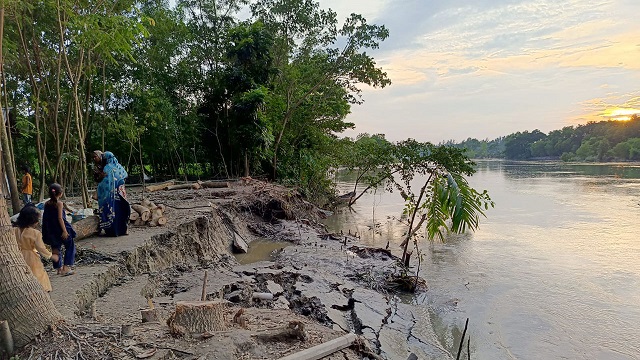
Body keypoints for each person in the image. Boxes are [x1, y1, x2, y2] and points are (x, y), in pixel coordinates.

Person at [15, 204, 59, 292]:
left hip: (17, 255)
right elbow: (41, 248)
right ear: (33, 220)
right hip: (31, 257)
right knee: (38, 274)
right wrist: (51, 256)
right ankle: (42, 291)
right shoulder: (35, 233)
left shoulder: (15, 230)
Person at [42, 183, 76, 276]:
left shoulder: (46, 204)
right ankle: (66, 268)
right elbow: (60, 218)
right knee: (70, 245)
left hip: (51, 230)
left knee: (55, 248)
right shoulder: (59, 203)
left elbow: (46, 218)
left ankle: (59, 269)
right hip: (60, 229)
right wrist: (65, 231)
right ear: (60, 193)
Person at [94, 151, 130, 236]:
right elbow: (124, 176)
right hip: (121, 195)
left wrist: (99, 191)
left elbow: (104, 183)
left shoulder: (107, 168)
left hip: (110, 196)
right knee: (121, 211)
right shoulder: (120, 167)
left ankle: (113, 232)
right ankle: (122, 230)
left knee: (111, 211)